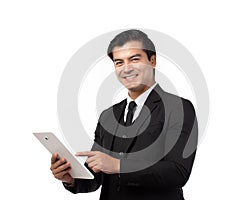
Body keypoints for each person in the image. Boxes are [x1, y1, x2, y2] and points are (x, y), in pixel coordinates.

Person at [50, 29, 198, 200]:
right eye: (119, 62)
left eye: (134, 59)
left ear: (153, 61)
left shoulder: (179, 108)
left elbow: (178, 172)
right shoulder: (108, 115)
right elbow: (96, 177)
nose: (126, 68)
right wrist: (70, 178)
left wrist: (119, 166)